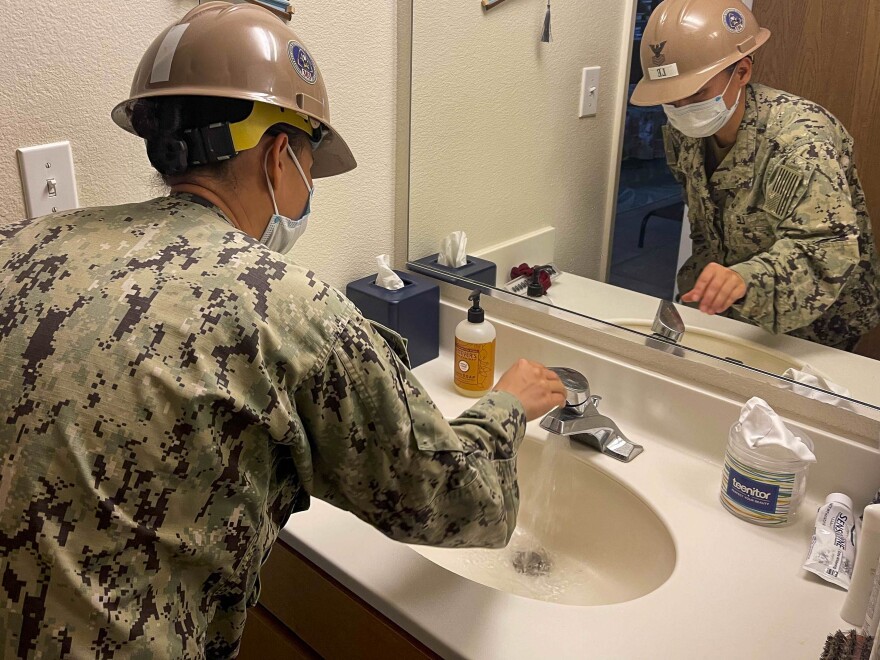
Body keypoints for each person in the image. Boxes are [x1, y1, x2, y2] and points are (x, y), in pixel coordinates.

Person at [0, 3, 566, 657]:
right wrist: (507, 406)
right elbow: (461, 504)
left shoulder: (23, 243)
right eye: (309, 169)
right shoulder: (287, 309)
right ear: (278, 158)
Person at [630, 0, 880, 351]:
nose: (682, 110)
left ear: (742, 72)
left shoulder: (801, 139)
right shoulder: (683, 136)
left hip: (818, 324)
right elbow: (705, 224)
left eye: (697, 93)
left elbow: (826, 250)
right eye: (671, 99)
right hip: (733, 312)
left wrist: (745, 279)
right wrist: (709, 288)